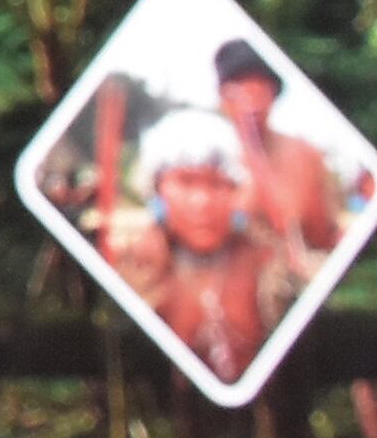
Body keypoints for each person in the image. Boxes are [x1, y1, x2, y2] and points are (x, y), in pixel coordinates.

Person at [93, 97, 296, 385]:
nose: (202, 202)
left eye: (216, 184)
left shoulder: (266, 260)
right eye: (186, 182)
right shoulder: (137, 266)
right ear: (157, 188)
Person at [213, 39, 348, 269]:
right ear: (224, 99)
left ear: (273, 94)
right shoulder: (209, 156)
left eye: (258, 91)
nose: (251, 104)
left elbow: (325, 233)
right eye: (239, 91)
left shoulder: (304, 154)